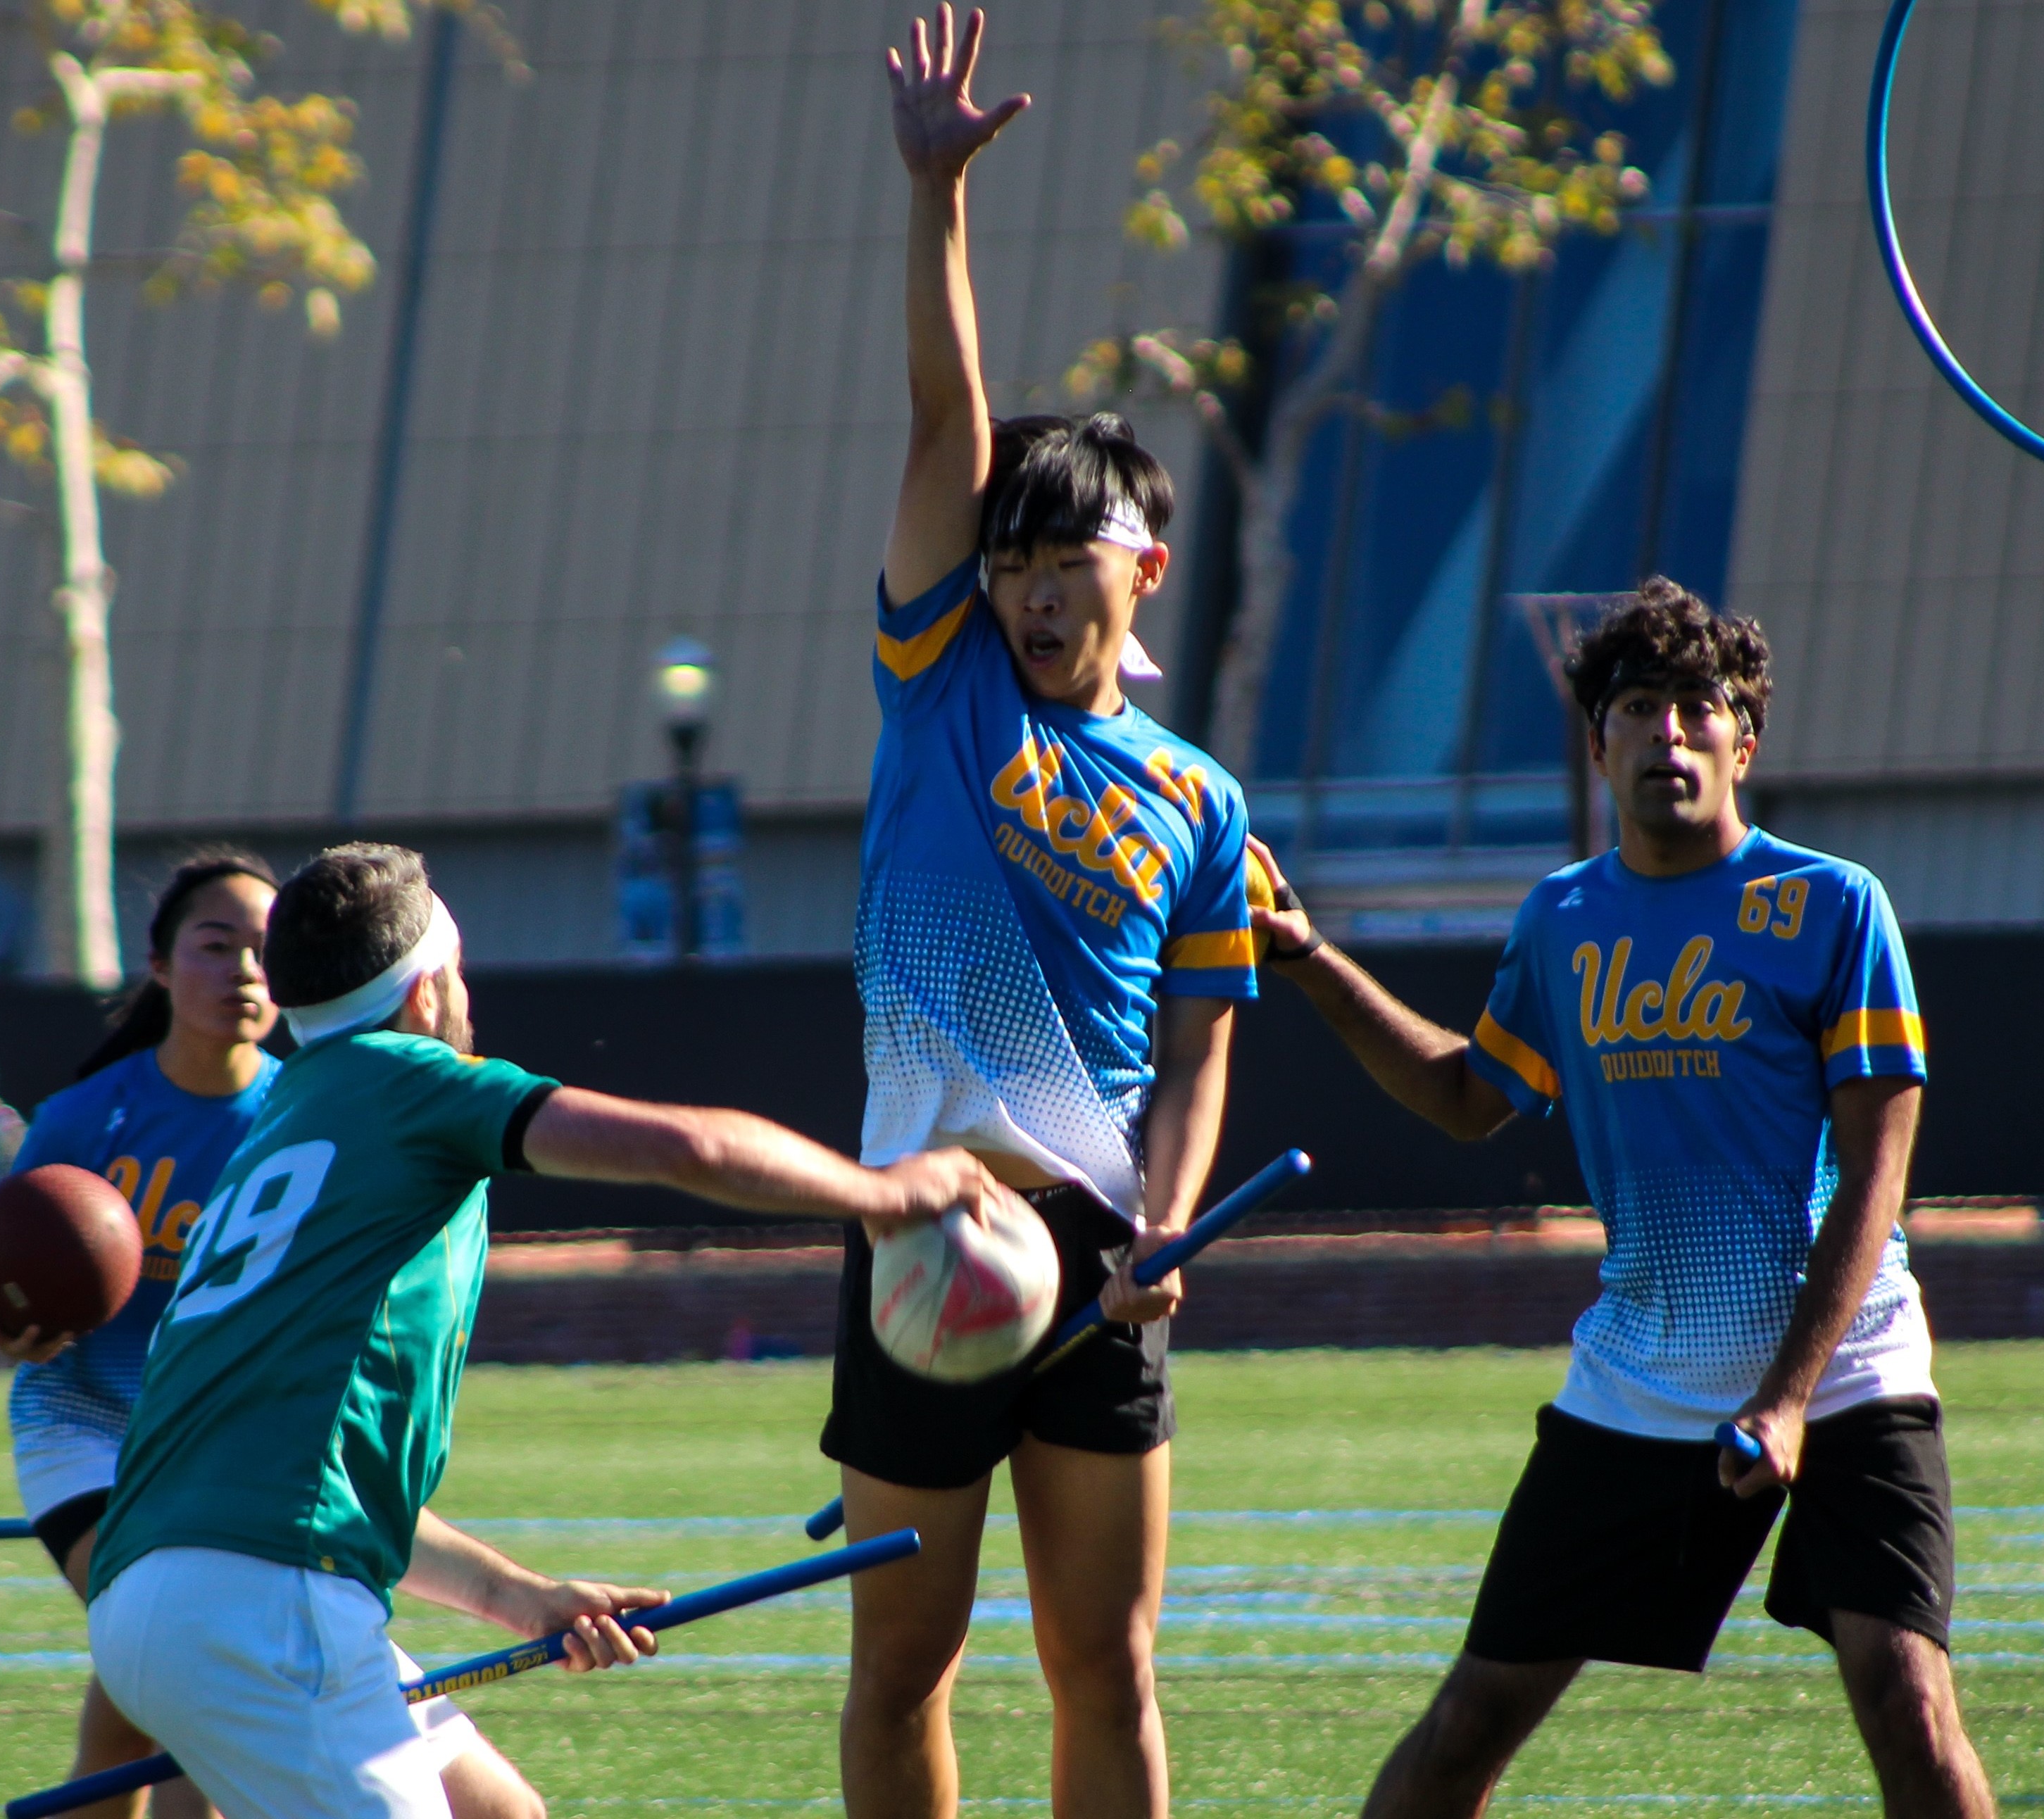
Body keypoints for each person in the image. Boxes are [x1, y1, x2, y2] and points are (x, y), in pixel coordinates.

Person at [1244, 581, 1993, 1819]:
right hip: (1642, 1379)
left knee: (1906, 1694)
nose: (1670, 734)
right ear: (1599, 746)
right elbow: (1469, 1093)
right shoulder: (1563, 919)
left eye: (1700, 709)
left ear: (1745, 742)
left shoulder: (1835, 904)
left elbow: (1876, 1176)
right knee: (1466, 1723)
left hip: (1850, 1370)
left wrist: (1791, 1398)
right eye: (1638, 709)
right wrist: (1309, 957)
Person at [85, 843, 1023, 1819]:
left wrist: (522, 1600)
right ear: (423, 993)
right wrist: (880, 1194)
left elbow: (317, 1483)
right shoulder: (414, 1082)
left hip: (161, 1592)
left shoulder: (283, 1119)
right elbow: (686, 1147)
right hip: (260, 1604)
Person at [834, 13, 1267, 1815]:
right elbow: (951, 413)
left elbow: (1199, 1041)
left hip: (1097, 1258)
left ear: (1140, 568)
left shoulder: (1199, 798)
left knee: (1106, 1661)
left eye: (1057, 552)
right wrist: (936, 197)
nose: (1018, 580)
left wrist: (1163, 1229)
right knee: (903, 1662)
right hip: (921, 1238)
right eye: (1005, 553)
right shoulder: (942, 681)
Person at [0, 852, 579, 1819]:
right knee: (168, 1673)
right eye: (215, 947)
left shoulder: (310, 1098)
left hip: (254, 1473)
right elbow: (15, 1290)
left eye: (262, 950)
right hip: (96, 1436)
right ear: (160, 965)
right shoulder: (90, 1117)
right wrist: (26, 1325)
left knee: (194, 1679)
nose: (243, 971)